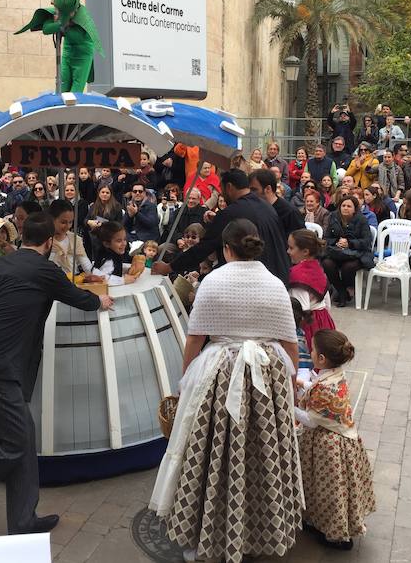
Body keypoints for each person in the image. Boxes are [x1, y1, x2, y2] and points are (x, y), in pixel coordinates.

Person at [0, 214, 114, 539]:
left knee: (22, 436)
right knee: (11, 444)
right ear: (49, 242)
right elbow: (80, 298)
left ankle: (24, 519)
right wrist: (101, 300)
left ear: (21, 236)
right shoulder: (45, 270)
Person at [149, 219, 303, 563]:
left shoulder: (213, 281)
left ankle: (210, 529)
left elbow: (195, 338)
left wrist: (186, 376)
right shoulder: (275, 283)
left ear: (226, 249)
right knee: (263, 451)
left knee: (213, 452)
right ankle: (262, 529)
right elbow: (290, 343)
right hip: (268, 371)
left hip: (219, 371)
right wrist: (290, 384)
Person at [297, 329, 375, 549]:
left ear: (321, 359)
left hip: (328, 447)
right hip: (343, 441)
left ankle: (336, 536)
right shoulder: (336, 375)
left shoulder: (322, 387)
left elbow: (311, 420)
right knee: (338, 489)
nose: (310, 352)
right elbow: (321, 399)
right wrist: (305, 386)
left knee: (328, 490)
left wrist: (287, 407)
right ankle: (326, 524)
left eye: (312, 350)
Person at [153, 169, 290, 282]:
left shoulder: (231, 212)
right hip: (277, 275)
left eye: (221, 189)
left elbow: (203, 248)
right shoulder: (265, 205)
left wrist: (169, 267)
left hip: (253, 281)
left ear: (229, 187)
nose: (221, 193)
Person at [287, 228, 335, 352]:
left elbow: (301, 309)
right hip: (324, 319)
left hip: (309, 324)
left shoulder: (298, 275)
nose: (288, 251)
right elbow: (326, 299)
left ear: (305, 251)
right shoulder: (317, 268)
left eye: (291, 248)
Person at [323, 196, 374, 307]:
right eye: (343, 206)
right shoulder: (334, 217)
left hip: (357, 253)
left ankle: (346, 289)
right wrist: (337, 241)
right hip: (337, 252)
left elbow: (366, 241)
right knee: (327, 263)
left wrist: (349, 243)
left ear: (355, 209)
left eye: (349, 206)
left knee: (348, 267)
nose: (345, 208)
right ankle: (341, 291)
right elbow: (326, 237)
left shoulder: (362, 220)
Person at [249, 168, 305, 238]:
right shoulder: (255, 209)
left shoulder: (290, 212)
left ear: (268, 189)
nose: (250, 194)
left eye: (254, 190)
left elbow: (301, 241)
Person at [49, 199, 92, 276]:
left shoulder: (75, 239)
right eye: (63, 222)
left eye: (70, 222)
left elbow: (86, 265)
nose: (67, 226)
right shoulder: (44, 240)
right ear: (52, 219)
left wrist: (95, 275)